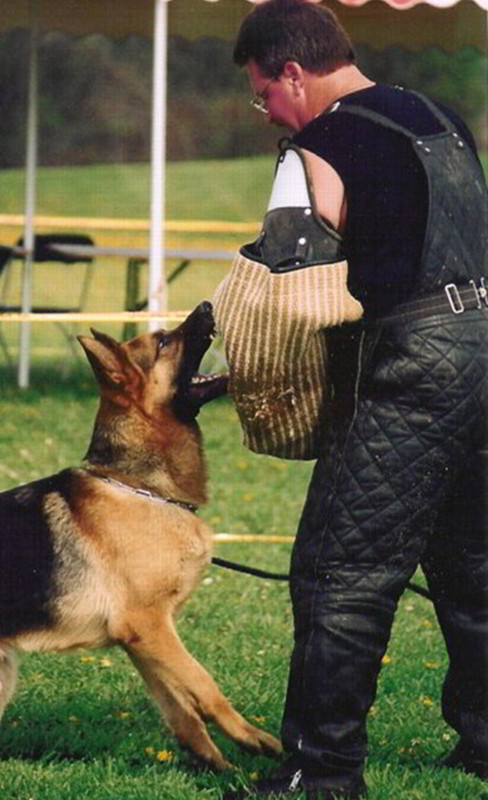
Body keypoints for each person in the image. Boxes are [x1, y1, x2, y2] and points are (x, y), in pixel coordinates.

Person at [220, 1, 488, 798]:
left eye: (262, 91)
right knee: (474, 566)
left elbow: (289, 288)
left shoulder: (322, 143)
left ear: (294, 73)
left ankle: (321, 770)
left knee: (340, 573)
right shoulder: (439, 115)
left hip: (412, 368)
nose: (263, 107)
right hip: (484, 351)